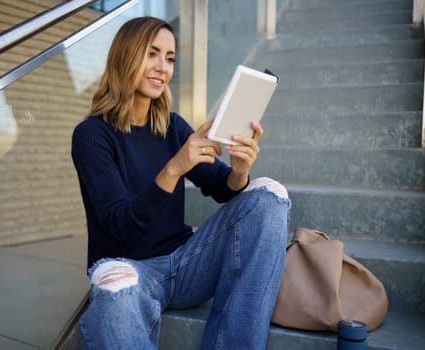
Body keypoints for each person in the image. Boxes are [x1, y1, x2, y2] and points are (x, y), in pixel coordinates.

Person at [71, 16, 290, 350]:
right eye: (152, 54)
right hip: (131, 271)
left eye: (170, 58)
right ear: (125, 57)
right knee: (113, 289)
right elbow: (123, 227)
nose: (163, 67)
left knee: (269, 196)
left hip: (187, 264)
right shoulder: (91, 135)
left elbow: (221, 186)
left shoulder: (172, 126)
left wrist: (239, 171)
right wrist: (174, 168)